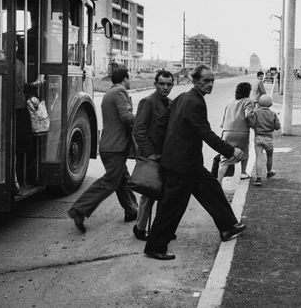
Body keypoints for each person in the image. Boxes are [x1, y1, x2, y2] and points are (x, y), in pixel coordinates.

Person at [144, 64, 246, 260]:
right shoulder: (194, 102)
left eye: (212, 80)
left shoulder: (183, 97)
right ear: (195, 81)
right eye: (206, 80)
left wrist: (170, 144)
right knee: (172, 207)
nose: (210, 84)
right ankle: (155, 247)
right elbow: (205, 133)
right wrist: (231, 150)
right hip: (182, 165)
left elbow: (162, 122)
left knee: (211, 190)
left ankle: (228, 227)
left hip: (186, 162)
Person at [68, 66, 138, 233]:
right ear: (125, 79)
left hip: (109, 145)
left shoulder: (109, 93)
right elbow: (127, 118)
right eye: (129, 79)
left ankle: (132, 210)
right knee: (110, 182)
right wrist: (144, 117)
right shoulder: (120, 92)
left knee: (123, 179)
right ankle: (79, 209)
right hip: (115, 147)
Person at [131, 69, 174, 241]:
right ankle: (140, 228)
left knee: (164, 194)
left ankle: (160, 229)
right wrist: (150, 154)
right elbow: (138, 129)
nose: (165, 87)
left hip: (166, 156)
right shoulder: (147, 102)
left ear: (173, 85)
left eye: (168, 84)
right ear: (155, 84)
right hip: (151, 156)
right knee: (149, 193)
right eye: (161, 84)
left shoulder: (170, 103)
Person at [14, 38, 45, 195]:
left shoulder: (5, 63)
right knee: (22, 147)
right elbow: (22, 87)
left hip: (6, 110)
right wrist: (35, 85)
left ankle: (16, 181)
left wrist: (33, 85)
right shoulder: (19, 64)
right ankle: (19, 180)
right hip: (19, 110)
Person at [218, 82, 254, 182]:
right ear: (248, 91)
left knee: (225, 158)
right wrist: (252, 124)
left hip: (227, 131)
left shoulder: (230, 101)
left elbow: (225, 117)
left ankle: (219, 181)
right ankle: (243, 173)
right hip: (241, 131)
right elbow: (248, 115)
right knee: (244, 152)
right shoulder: (249, 101)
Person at [246, 94, 281, 187]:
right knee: (270, 156)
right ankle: (269, 172)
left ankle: (258, 178)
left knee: (259, 158)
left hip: (258, 138)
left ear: (260, 103)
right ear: (270, 104)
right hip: (269, 138)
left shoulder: (256, 112)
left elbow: (252, 124)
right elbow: (277, 127)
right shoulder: (273, 114)